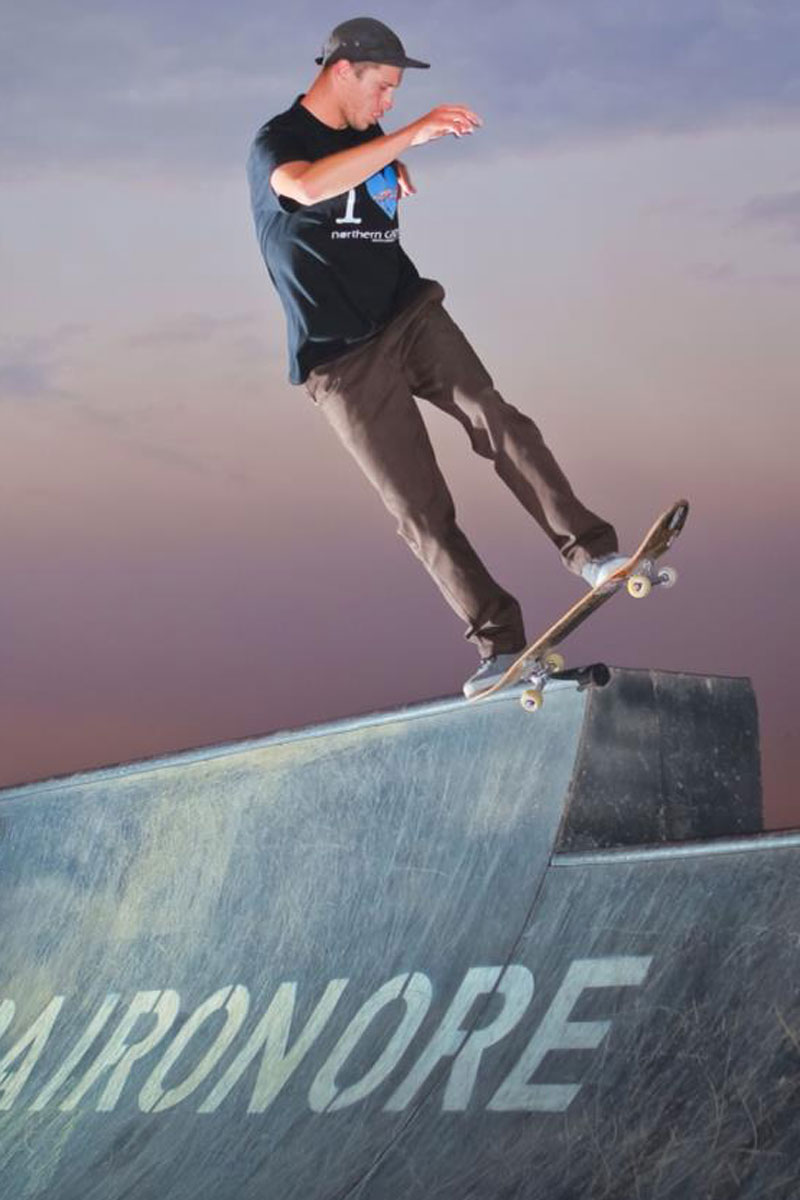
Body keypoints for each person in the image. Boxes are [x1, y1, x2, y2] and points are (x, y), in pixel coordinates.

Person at [247, 17, 629, 698]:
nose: (389, 102)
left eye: (396, 93)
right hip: (341, 360)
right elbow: (305, 189)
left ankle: (594, 553)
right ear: (343, 72)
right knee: (419, 509)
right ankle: (499, 645)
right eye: (383, 88)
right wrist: (405, 137)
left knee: (493, 414)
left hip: (409, 314)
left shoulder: (366, 137)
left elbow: (366, 169)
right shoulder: (278, 140)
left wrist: (389, 156)